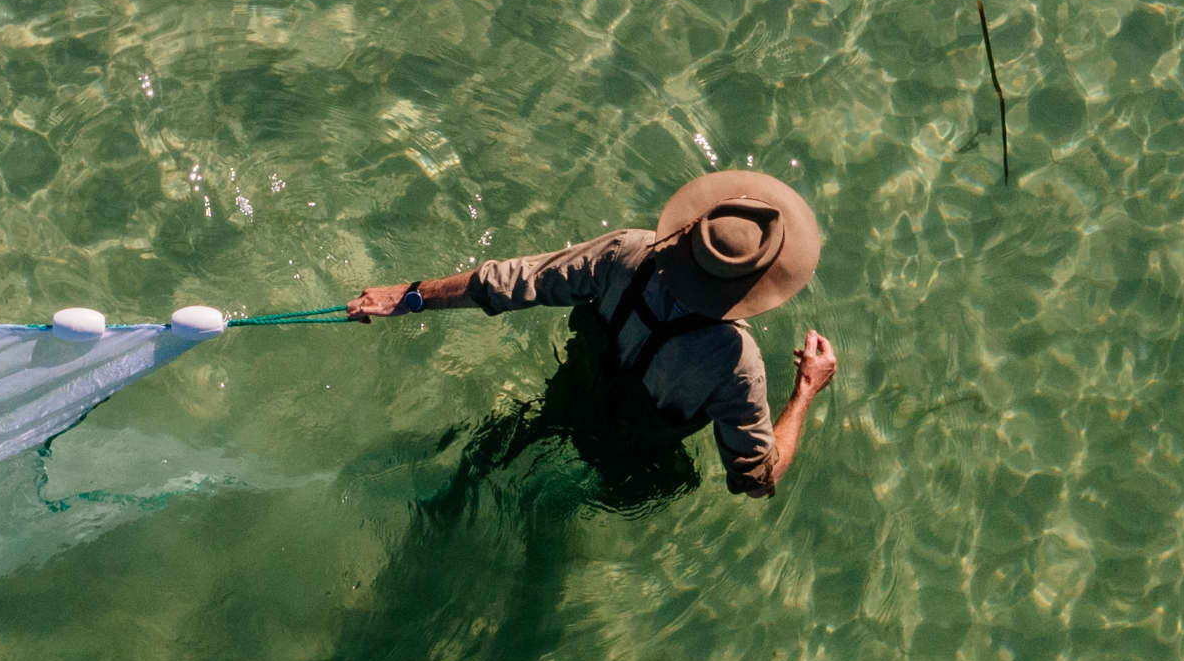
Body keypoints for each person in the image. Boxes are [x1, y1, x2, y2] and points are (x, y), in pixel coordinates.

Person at [347, 171, 839, 503]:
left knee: (507, 447)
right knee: (673, 484)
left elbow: (510, 282)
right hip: (628, 461)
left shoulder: (627, 254)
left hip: (568, 397)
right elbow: (755, 480)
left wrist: (409, 295)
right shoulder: (736, 362)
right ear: (759, 282)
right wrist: (804, 392)